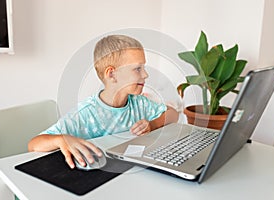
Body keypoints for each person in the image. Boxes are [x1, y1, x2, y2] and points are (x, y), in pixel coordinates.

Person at [28, 35, 179, 169]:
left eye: (143, 67)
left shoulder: (140, 104)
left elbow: (173, 114)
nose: (145, 74)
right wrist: (62, 139)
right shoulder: (85, 114)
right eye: (137, 69)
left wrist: (153, 124)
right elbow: (34, 144)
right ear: (112, 74)